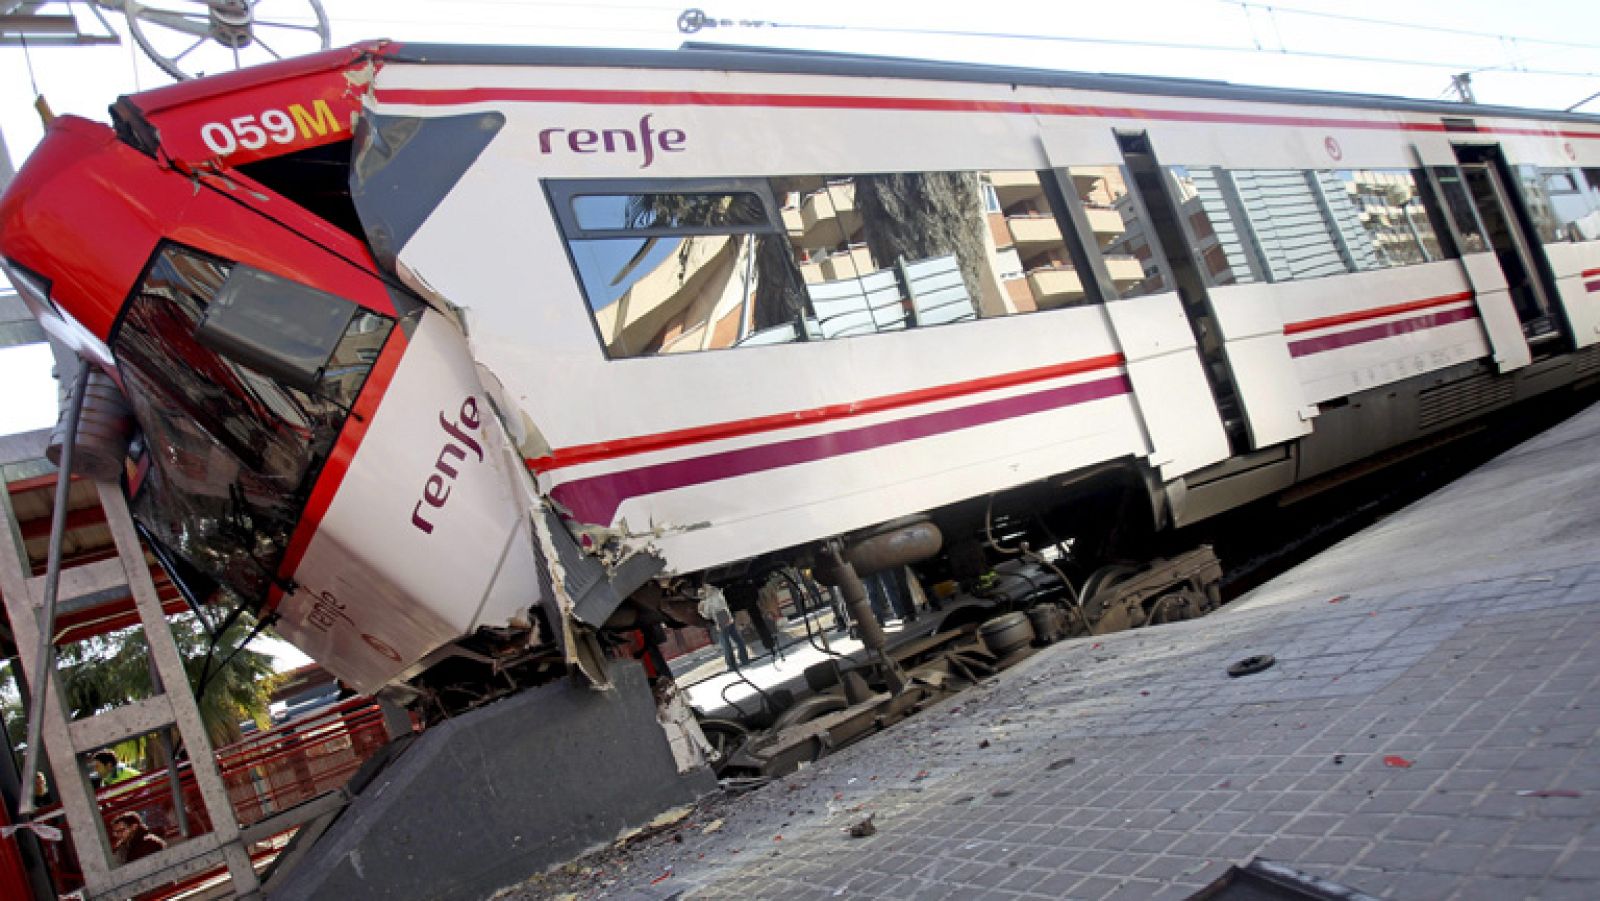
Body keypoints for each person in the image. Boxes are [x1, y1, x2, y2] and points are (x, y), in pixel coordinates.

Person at [698, 583, 750, 670]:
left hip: (720, 617)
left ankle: (732, 665)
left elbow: (708, 615)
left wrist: (701, 610)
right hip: (727, 614)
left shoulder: (707, 601)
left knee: (725, 643)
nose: (700, 596)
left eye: (701, 594)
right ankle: (744, 659)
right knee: (737, 639)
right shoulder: (717, 592)